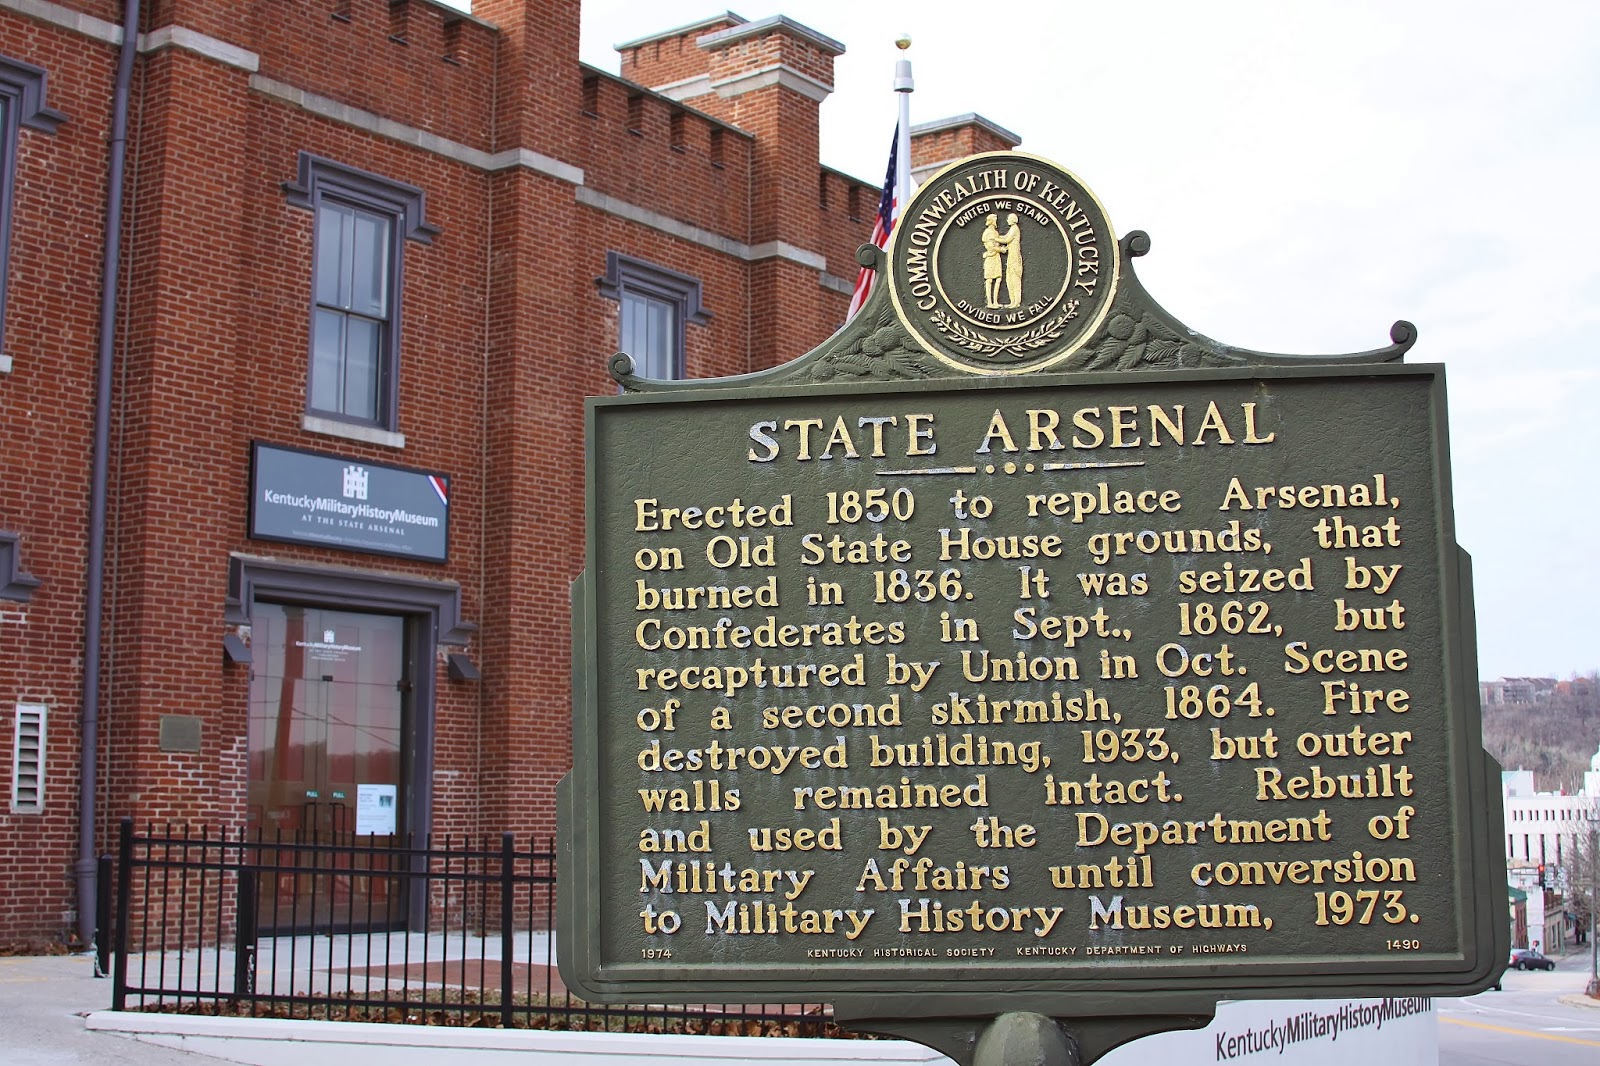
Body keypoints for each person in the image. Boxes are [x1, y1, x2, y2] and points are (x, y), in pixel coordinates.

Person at [999, 212, 1024, 308]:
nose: (1007, 220)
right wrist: (996, 237)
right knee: (1009, 279)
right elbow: (1004, 237)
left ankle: (1016, 302)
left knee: (1015, 279)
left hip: (1014, 257)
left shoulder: (1015, 229)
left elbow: (1006, 240)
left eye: (1008, 218)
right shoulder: (1012, 229)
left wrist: (995, 239)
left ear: (1013, 220)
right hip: (1011, 257)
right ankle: (1012, 301)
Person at [981, 214, 1003, 308]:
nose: (996, 221)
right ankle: (990, 303)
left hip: (996, 257)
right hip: (990, 257)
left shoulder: (995, 232)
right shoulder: (987, 232)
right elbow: (990, 246)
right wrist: (1000, 250)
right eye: (995, 220)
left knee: (998, 279)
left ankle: (995, 301)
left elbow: (997, 242)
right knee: (989, 280)